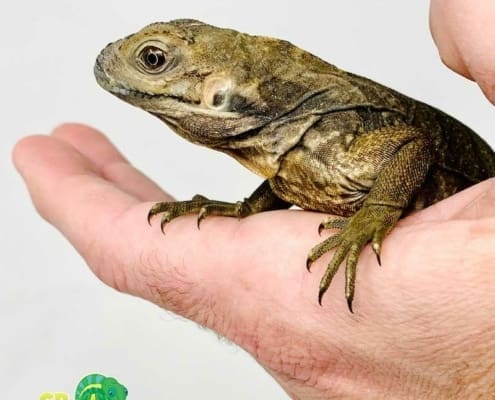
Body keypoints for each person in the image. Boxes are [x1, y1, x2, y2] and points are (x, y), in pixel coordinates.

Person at [13, 1, 495, 397]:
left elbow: (409, 149)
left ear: (217, 93)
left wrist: (376, 216)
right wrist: (248, 210)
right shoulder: (298, 139)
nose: (126, 63)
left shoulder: (335, 132)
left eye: (155, 61)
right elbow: (292, 170)